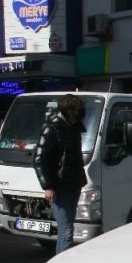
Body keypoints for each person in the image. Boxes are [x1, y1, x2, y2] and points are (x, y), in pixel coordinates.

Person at [33, 94, 87, 253]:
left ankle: (61, 261)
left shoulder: (74, 127)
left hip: (74, 183)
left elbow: (74, 157)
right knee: (66, 229)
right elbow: (39, 160)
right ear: (68, 110)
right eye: (77, 110)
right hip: (60, 186)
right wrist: (48, 186)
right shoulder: (53, 128)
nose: (80, 113)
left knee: (68, 226)